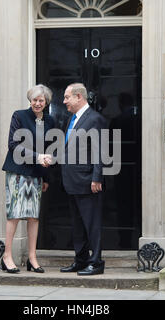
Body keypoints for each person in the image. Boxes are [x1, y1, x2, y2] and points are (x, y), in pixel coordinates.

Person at [1, 84, 54, 274]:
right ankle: (7, 255)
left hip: (37, 175)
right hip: (17, 171)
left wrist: (46, 176)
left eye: (41, 100)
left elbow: (49, 149)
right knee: (14, 214)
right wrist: (38, 157)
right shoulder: (19, 116)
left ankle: (32, 258)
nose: (37, 103)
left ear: (46, 102)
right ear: (29, 100)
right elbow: (13, 144)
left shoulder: (50, 121)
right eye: (34, 100)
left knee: (33, 217)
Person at [60, 83, 108, 276]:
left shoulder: (95, 119)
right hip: (72, 180)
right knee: (77, 224)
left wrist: (97, 178)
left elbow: (100, 150)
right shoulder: (72, 119)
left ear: (79, 97)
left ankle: (96, 262)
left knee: (92, 224)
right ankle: (80, 260)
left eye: (67, 97)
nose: (64, 102)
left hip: (88, 180)